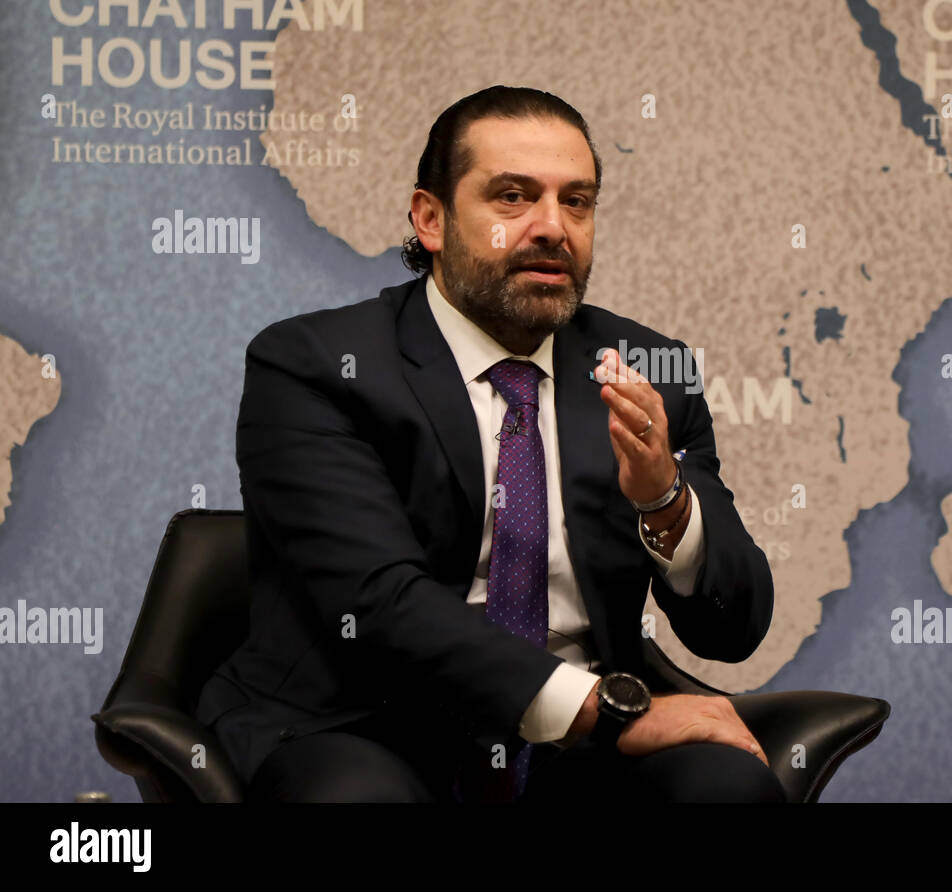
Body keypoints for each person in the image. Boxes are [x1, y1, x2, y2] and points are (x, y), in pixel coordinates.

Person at [194, 85, 783, 803]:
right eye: (512, 197)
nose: (552, 227)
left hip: (582, 758)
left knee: (726, 789)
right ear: (431, 219)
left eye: (577, 201)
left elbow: (734, 627)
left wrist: (663, 499)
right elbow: (380, 604)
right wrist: (606, 711)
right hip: (364, 724)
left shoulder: (647, 370)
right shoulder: (316, 364)